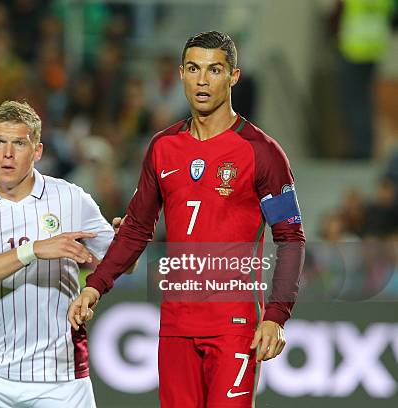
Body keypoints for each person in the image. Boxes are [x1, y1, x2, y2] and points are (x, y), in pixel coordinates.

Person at [68, 31, 306, 407]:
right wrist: (95, 285)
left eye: (214, 70)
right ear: (180, 73)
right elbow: (135, 228)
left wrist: (276, 315)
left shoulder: (262, 153)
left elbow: (291, 237)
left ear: (234, 77)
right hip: (176, 324)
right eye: (194, 68)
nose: (202, 79)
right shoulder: (164, 147)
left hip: (234, 324)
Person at [0, 100, 115, 408]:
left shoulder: (70, 198)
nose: (7, 153)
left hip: (60, 377)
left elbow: (125, 262)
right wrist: (33, 250)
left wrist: (127, 242)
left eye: (19, 143)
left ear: (38, 151)